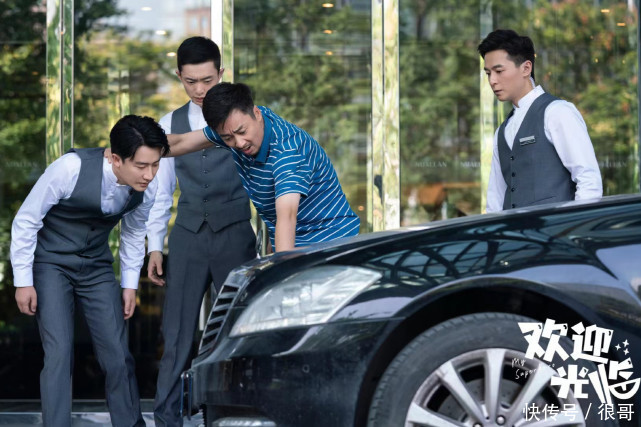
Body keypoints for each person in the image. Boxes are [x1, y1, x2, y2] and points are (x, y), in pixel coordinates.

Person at [10, 115, 169, 427]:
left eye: (155, 165)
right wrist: (23, 280)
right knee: (59, 353)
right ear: (115, 158)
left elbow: (134, 234)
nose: (149, 174)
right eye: (141, 165)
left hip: (96, 267)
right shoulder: (69, 168)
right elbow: (27, 220)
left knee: (117, 353)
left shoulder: (147, 188)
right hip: (51, 264)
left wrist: (129, 285)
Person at [148, 37, 256, 427]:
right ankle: (167, 419)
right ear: (179, 76)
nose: (199, 89)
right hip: (188, 236)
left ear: (221, 73)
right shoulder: (167, 125)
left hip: (235, 235)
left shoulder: (246, 120)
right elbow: (160, 194)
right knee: (176, 333)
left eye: (207, 80)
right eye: (190, 81)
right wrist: (155, 247)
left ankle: (230, 417)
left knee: (236, 331)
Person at [167, 82, 360, 252]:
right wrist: (146, 144)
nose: (239, 143)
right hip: (296, 243)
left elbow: (287, 216)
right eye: (228, 138)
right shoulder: (235, 124)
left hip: (331, 244)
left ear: (257, 114)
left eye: (242, 132)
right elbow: (180, 143)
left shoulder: (288, 152)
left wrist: (279, 264)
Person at [478, 29, 602, 212]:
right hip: (513, 231)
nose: (492, 81)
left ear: (526, 68)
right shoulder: (502, 132)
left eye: (499, 71)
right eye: (488, 73)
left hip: (557, 228)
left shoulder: (557, 112)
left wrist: (575, 226)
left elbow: (588, 180)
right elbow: (495, 200)